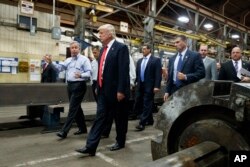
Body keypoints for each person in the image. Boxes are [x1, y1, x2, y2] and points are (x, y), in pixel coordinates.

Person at [75, 24, 130, 156]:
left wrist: (121, 90)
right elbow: (101, 71)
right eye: (99, 33)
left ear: (110, 34)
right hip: (103, 91)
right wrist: (98, 87)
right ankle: (91, 146)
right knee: (99, 118)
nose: (99, 35)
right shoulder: (103, 50)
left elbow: (123, 71)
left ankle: (120, 141)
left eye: (101, 33)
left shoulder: (120, 48)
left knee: (120, 118)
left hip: (116, 91)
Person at [46, 41, 92, 139]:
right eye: (72, 48)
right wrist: (51, 62)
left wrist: (81, 75)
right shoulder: (68, 60)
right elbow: (59, 68)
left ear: (79, 49)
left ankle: (64, 131)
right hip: (70, 85)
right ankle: (83, 128)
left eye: (76, 47)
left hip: (79, 85)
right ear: (70, 49)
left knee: (72, 108)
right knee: (76, 108)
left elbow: (89, 73)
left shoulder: (84, 59)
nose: (74, 49)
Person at [101, 54, 136, 138]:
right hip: (109, 89)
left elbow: (131, 71)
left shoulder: (124, 54)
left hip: (121, 89)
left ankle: (121, 136)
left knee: (120, 115)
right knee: (108, 112)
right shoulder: (107, 53)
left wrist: (130, 84)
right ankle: (105, 131)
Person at [164, 35, 205, 101]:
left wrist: (186, 77)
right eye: (174, 43)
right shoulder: (172, 58)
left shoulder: (194, 56)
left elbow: (202, 73)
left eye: (177, 42)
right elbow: (170, 77)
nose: (175, 44)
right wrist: (167, 91)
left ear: (185, 42)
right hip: (173, 90)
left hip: (188, 90)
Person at [132, 44, 162, 131]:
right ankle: (150, 120)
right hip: (140, 85)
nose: (143, 50)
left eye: (144, 49)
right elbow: (137, 73)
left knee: (147, 103)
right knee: (141, 102)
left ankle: (142, 123)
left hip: (150, 86)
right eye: (142, 49)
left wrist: (157, 86)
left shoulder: (156, 60)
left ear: (149, 50)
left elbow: (158, 74)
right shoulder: (140, 61)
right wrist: (135, 83)